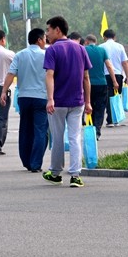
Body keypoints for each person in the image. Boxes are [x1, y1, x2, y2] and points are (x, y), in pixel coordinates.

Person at [42, 15, 92, 188]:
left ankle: (56, 173)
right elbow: (86, 78)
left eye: (48, 30)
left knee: (57, 138)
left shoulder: (52, 50)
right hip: (77, 101)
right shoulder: (80, 49)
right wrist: (88, 102)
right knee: (75, 137)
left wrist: (50, 99)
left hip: (58, 102)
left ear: (57, 30)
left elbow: (49, 75)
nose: (46, 34)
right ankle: (75, 175)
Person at [0, 28, 48, 172]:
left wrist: (4, 91)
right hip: (41, 97)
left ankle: (26, 160)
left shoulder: (20, 55)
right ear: (39, 40)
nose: (46, 41)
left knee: (26, 129)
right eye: (44, 38)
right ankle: (35, 163)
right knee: (40, 130)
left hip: (24, 97)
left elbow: (11, 74)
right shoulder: (47, 55)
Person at [84, 34, 117, 139]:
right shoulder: (102, 50)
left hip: (87, 84)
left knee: (90, 106)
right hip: (101, 83)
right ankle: (97, 130)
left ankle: (92, 128)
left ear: (87, 41)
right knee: (100, 108)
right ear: (95, 41)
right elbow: (109, 66)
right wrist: (114, 81)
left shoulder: (83, 50)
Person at [99, 29, 127, 127]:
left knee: (108, 97)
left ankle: (110, 119)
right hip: (118, 74)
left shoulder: (101, 47)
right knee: (117, 97)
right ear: (114, 37)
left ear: (104, 37)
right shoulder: (120, 46)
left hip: (105, 75)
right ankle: (116, 118)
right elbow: (124, 62)